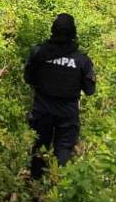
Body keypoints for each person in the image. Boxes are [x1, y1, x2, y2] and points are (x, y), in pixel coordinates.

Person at [24, 13, 95, 180]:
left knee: (39, 147)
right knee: (63, 150)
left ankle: (35, 188)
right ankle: (57, 190)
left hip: (42, 110)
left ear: (53, 31)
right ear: (73, 33)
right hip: (67, 113)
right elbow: (90, 90)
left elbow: (28, 78)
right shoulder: (82, 60)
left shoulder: (38, 52)